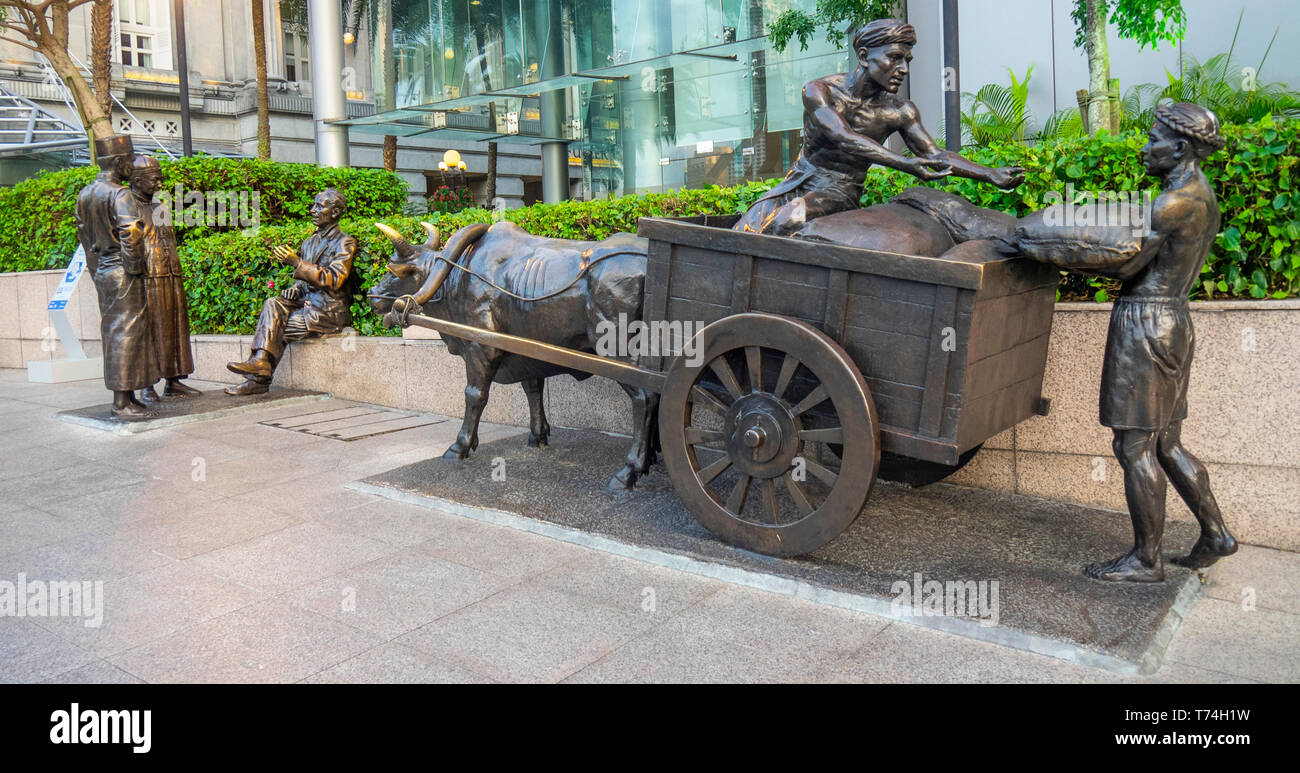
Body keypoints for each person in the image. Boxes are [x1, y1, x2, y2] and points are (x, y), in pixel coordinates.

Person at [734, 18, 1024, 236]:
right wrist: (906, 164)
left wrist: (990, 174)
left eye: (907, 60)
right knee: (742, 230)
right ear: (863, 56)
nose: (904, 69)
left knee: (790, 218)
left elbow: (935, 155)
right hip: (800, 179)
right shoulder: (819, 91)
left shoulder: (900, 111)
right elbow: (843, 137)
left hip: (840, 190)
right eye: (895, 58)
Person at [225, 188, 357, 396]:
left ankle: (259, 377)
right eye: (313, 205)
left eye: (319, 206)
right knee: (272, 303)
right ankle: (259, 363)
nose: (313, 210)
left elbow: (334, 279)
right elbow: (306, 281)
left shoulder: (345, 242)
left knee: (275, 330)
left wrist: (296, 262)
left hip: (327, 312)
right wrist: (295, 290)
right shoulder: (309, 242)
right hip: (307, 305)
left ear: (335, 212)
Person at [74, 134, 157, 418]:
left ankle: (126, 396)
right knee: (127, 332)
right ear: (119, 162)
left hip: (104, 271)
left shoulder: (85, 193)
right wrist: (135, 268)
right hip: (123, 270)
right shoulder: (119, 193)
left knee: (114, 333)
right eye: (130, 160)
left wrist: (97, 269)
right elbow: (131, 232)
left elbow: (83, 235)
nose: (132, 166)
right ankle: (122, 402)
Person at [128, 154, 199, 403]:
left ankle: (174, 381)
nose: (159, 184)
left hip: (170, 272)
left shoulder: (161, 206)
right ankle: (147, 385)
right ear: (137, 180)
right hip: (148, 276)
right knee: (150, 331)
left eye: (161, 179)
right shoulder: (127, 207)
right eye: (154, 180)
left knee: (176, 327)